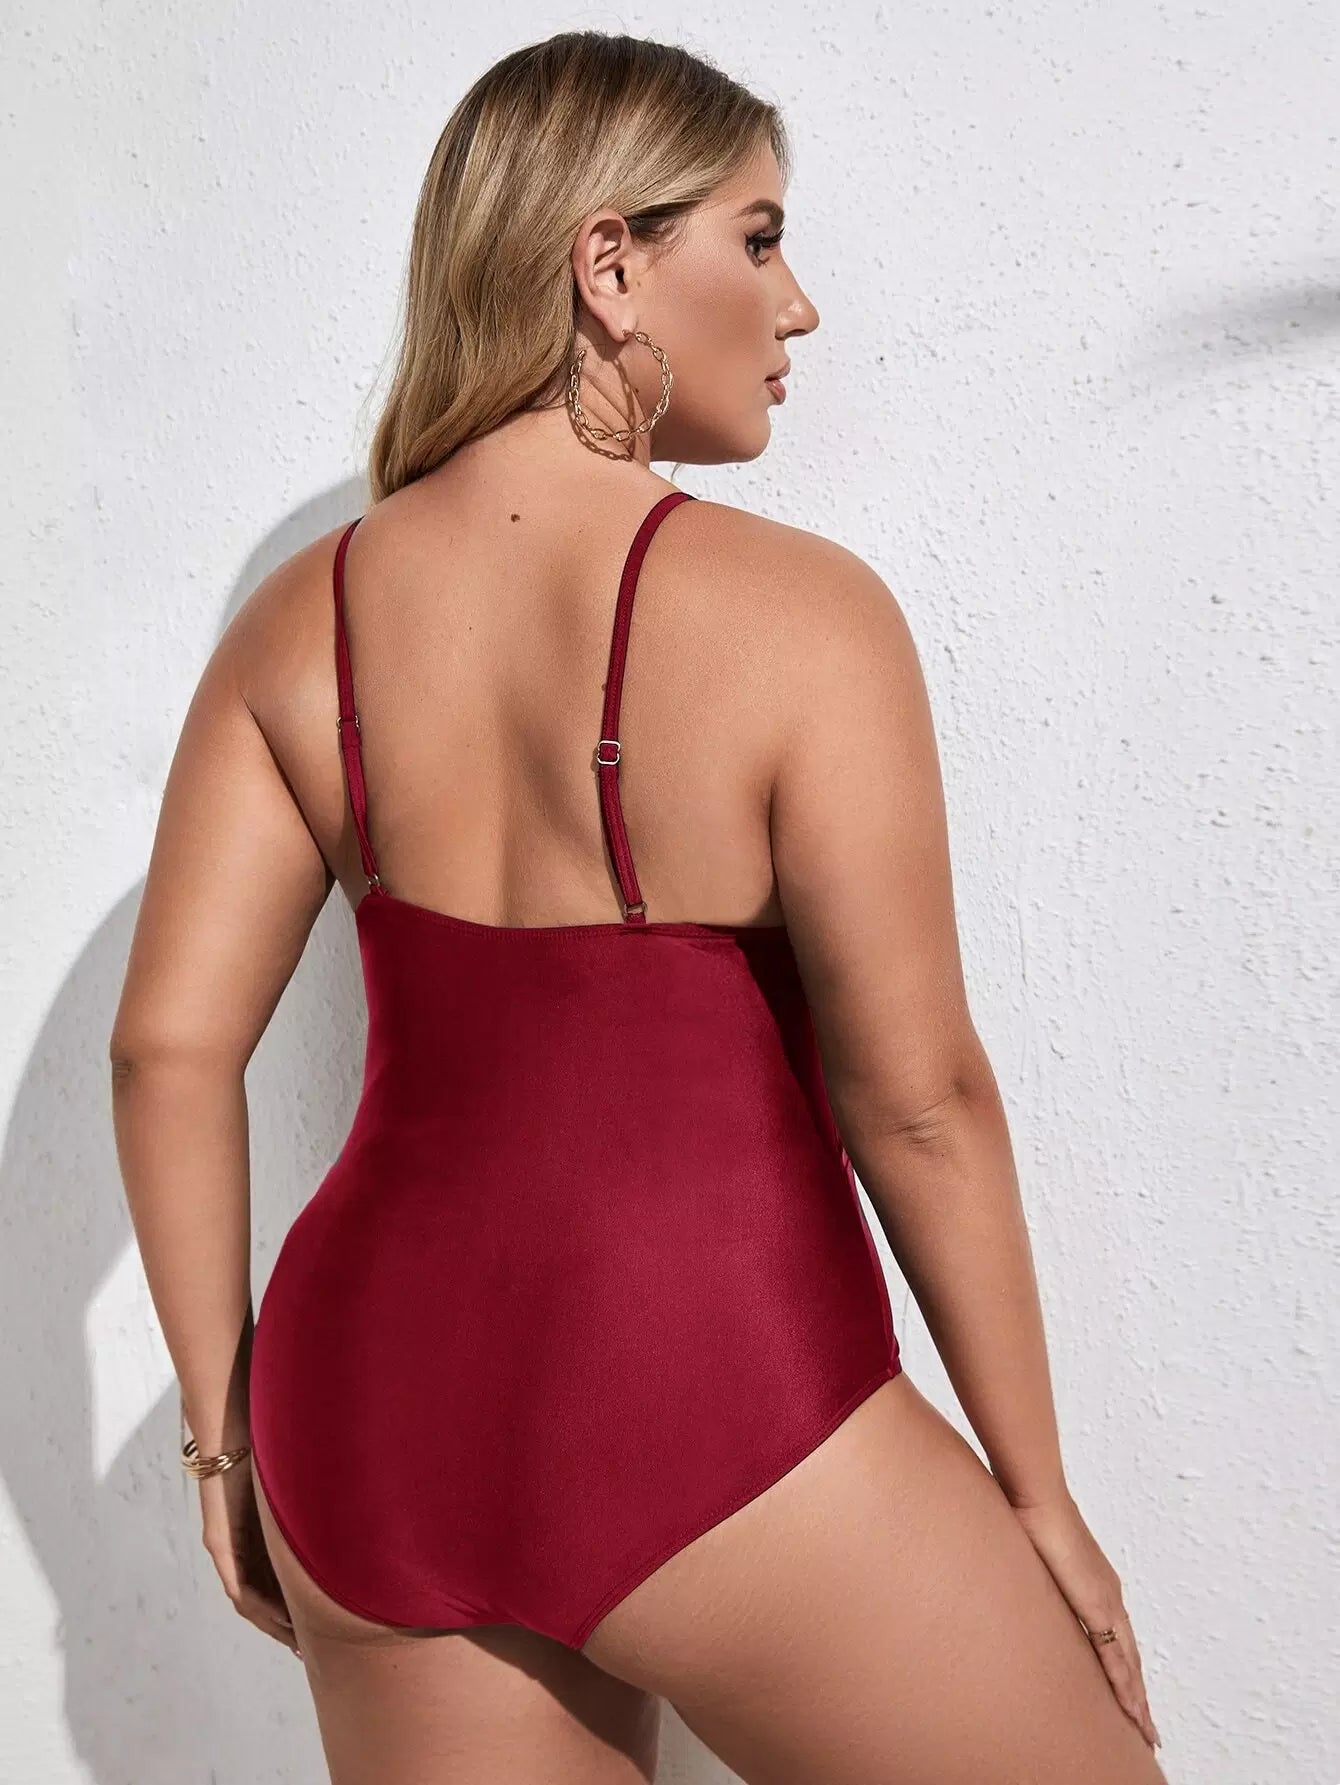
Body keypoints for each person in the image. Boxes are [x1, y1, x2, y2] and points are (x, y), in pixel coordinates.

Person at [110, 29, 1169, 1785]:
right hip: (707, 1394)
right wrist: (1036, 1493)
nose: (798, 304)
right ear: (609, 266)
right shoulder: (806, 620)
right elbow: (918, 1098)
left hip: (366, 1422)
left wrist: (227, 1440)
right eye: (759, 238)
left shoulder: (296, 625)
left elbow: (163, 1052)